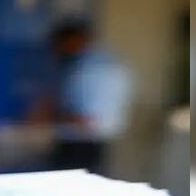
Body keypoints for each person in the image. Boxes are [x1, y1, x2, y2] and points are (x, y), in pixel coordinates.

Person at [31, 19, 132, 174]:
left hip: (80, 146)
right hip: (96, 144)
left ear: (73, 40)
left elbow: (85, 120)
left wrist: (45, 116)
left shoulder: (88, 69)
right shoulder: (109, 62)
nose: (57, 51)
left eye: (59, 44)